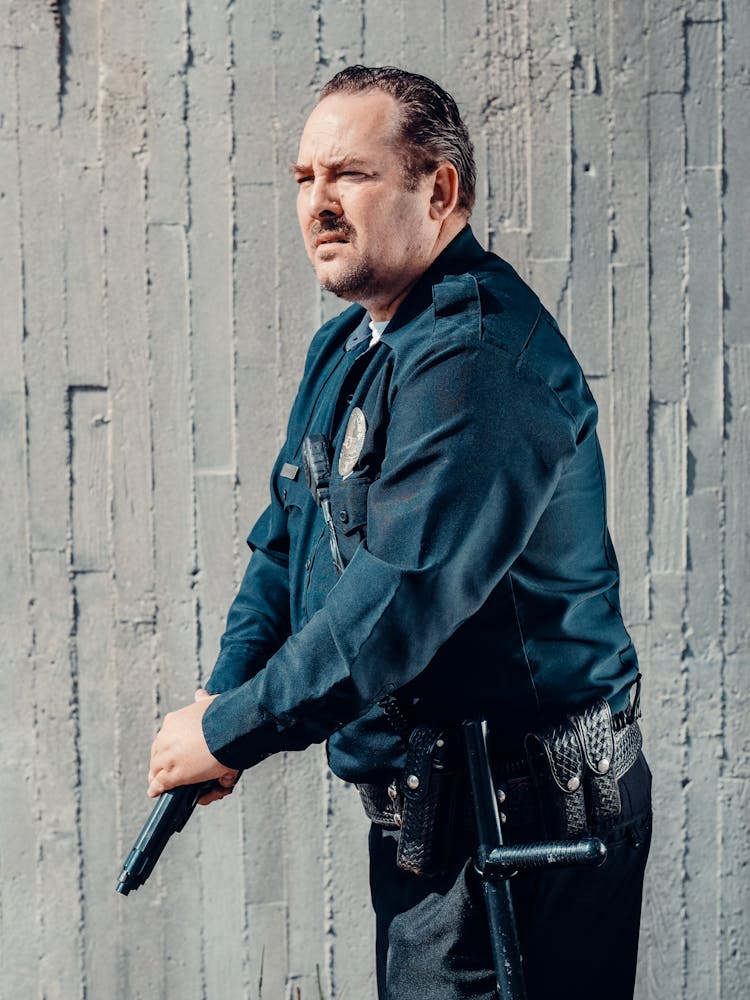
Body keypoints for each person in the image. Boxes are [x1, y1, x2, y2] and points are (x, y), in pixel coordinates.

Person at [148, 66, 651, 999]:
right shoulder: (351, 347)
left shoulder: (478, 360)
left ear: (440, 190)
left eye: (350, 175)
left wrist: (229, 730)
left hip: (530, 821)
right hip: (440, 816)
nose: (319, 203)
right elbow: (285, 546)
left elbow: (399, 598)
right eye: (304, 179)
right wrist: (227, 695)